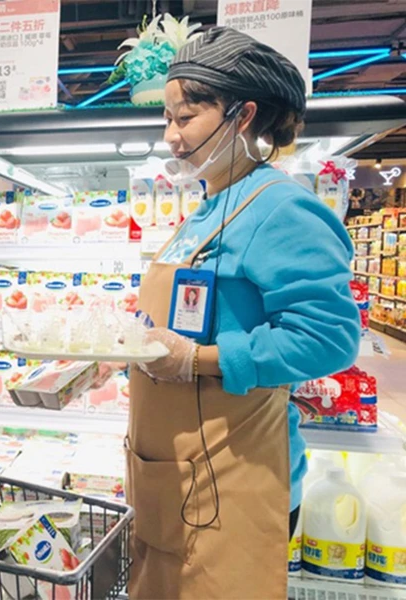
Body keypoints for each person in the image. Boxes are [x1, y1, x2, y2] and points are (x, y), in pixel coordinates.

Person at [126, 28, 361, 598]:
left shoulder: (283, 208)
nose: (171, 136)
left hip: (236, 476)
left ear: (243, 115)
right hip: (173, 475)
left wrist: (197, 360)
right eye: (166, 118)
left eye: (186, 118)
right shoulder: (207, 209)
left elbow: (329, 339)